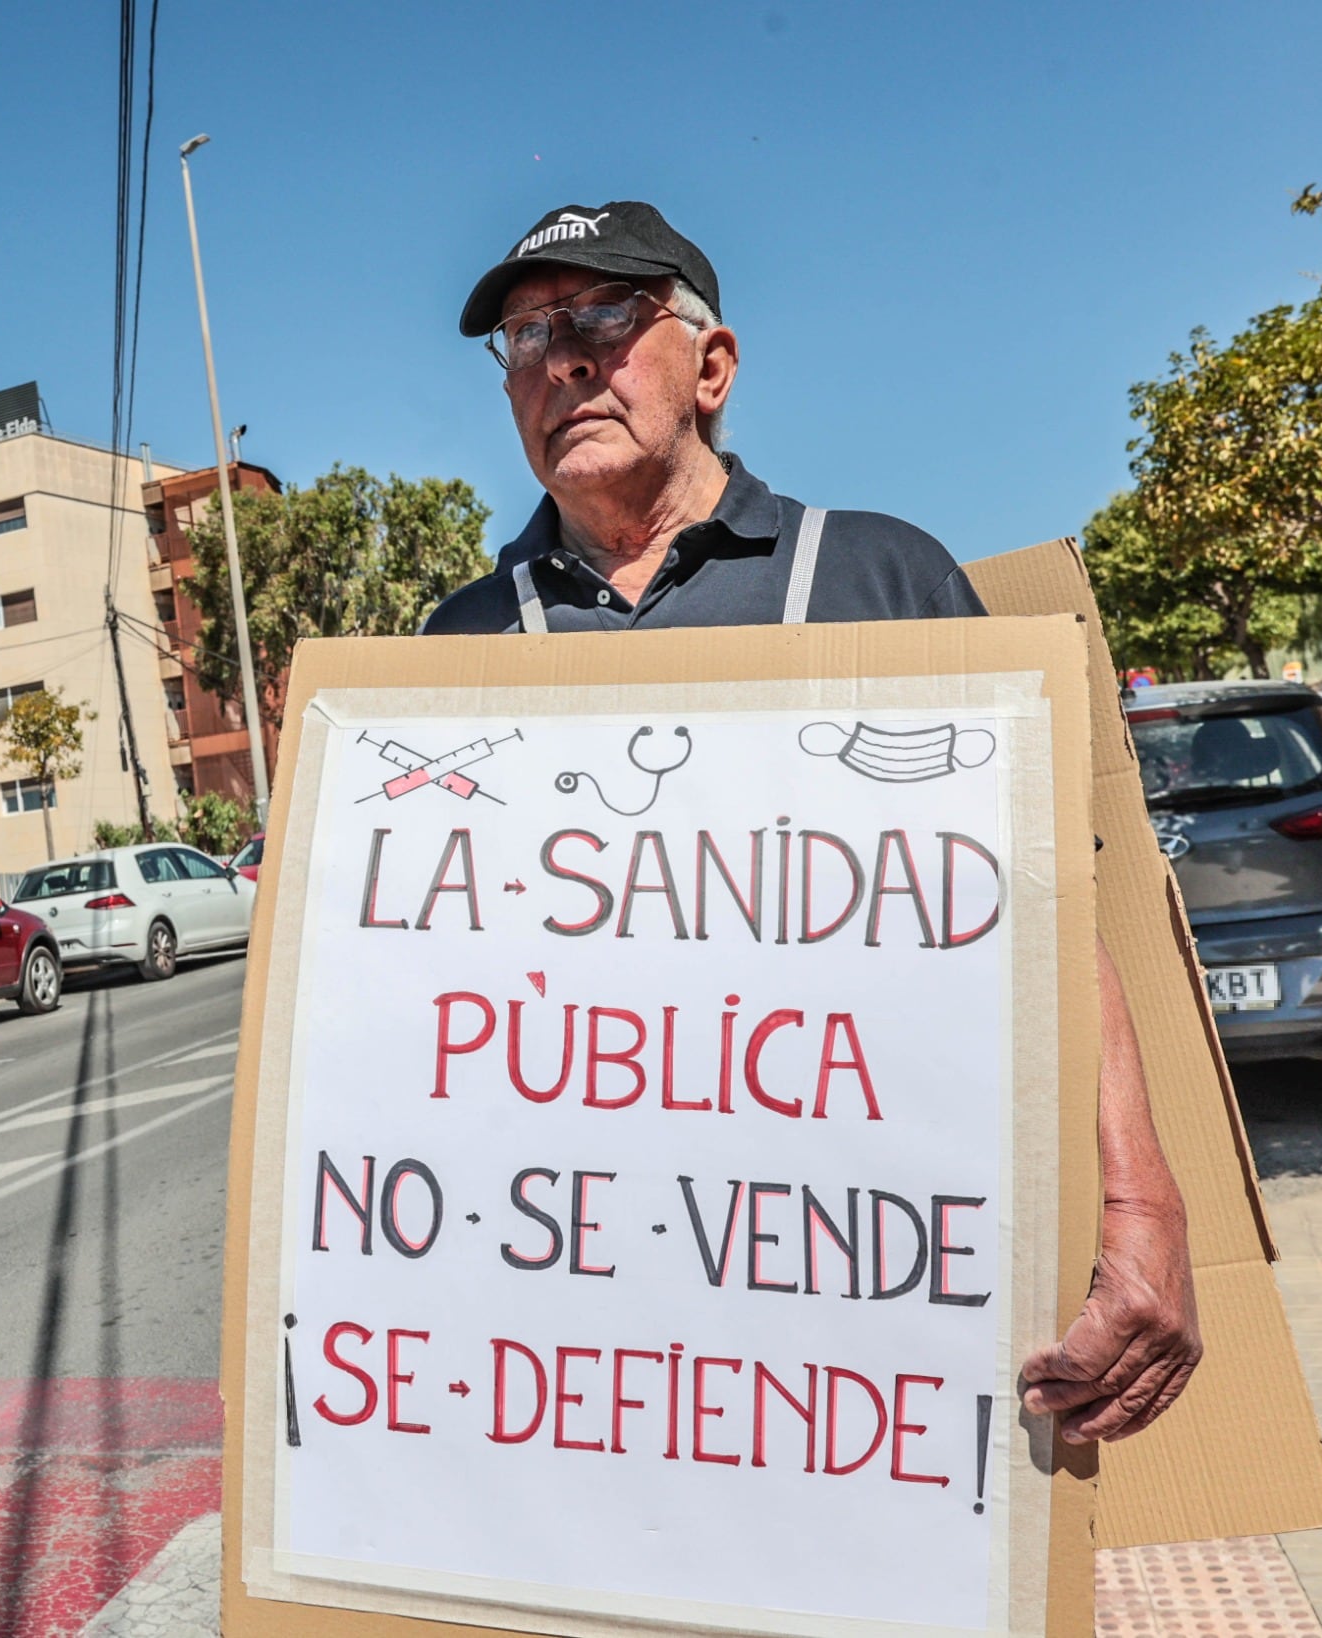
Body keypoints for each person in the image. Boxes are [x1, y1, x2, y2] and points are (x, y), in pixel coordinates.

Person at [427, 201, 1201, 1444]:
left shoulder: (880, 583)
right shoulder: (447, 652)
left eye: (606, 317)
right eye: (524, 332)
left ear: (712, 364)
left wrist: (1139, 1209)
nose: (560, 356)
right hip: (586, 1328)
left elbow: (1047, 916)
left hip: (858, 1316)